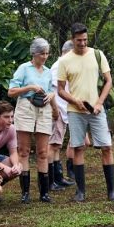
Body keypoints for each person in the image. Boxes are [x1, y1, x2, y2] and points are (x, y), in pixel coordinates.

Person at [56, 23, 114, 202]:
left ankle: (111, 191)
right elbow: (60, 89)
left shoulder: (97, 55)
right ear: (72, 40)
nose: (82, 43)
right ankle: (80, 191)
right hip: (75, 111)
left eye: (85, 40)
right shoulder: (65, 61)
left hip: (97, 110)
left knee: (106, 146)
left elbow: (108, 81)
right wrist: (75, 101)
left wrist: (99, 103)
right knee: (78, 147)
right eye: (78, 41)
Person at [8, 37, 58, 203]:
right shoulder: (24, 68)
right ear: (34, 53)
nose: (44, 56)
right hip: (26, 107)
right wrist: (29, 87)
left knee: (43, 152)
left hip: (44, 109)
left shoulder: (48, 71)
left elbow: (51, 91)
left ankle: (44, 193)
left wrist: (54, 103)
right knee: (24, 150)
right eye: (41, 53)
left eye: (47, 53)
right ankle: (25, 193)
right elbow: (11, 91)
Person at [48, 40, 75, 190]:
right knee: (52, 145)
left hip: (63, 111)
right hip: (56, 110)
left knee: (57, 145)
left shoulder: (64, 66)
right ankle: (50, 180)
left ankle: (58, 178)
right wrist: (55, 109)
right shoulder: (58, 66)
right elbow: (52, 90)